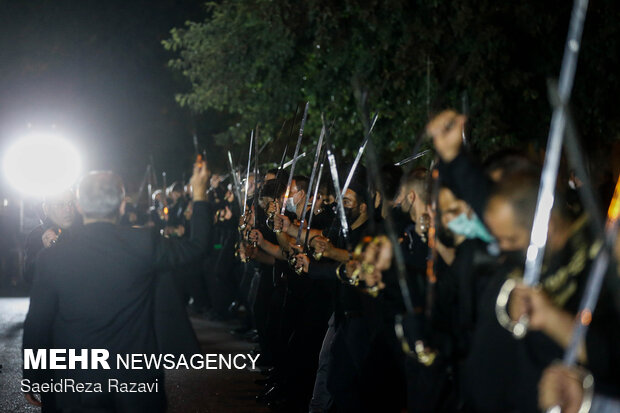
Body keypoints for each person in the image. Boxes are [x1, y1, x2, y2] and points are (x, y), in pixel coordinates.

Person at [22, 161, 211, 413]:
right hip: (136, 379)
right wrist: (199, 195)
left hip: (77, 380)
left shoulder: (52, 257)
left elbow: (37, 322)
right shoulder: (144, 242)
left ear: (79, 206)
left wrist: (32, 376)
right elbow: (197, 247)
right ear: (122, 206)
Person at [23, 189, 82, 285]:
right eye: (60, 205)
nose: (68, 209)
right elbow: (29, 276)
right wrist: (45, 251)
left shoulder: (83, 231)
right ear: (46, 208)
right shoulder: (37, 236)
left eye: (71, 203)